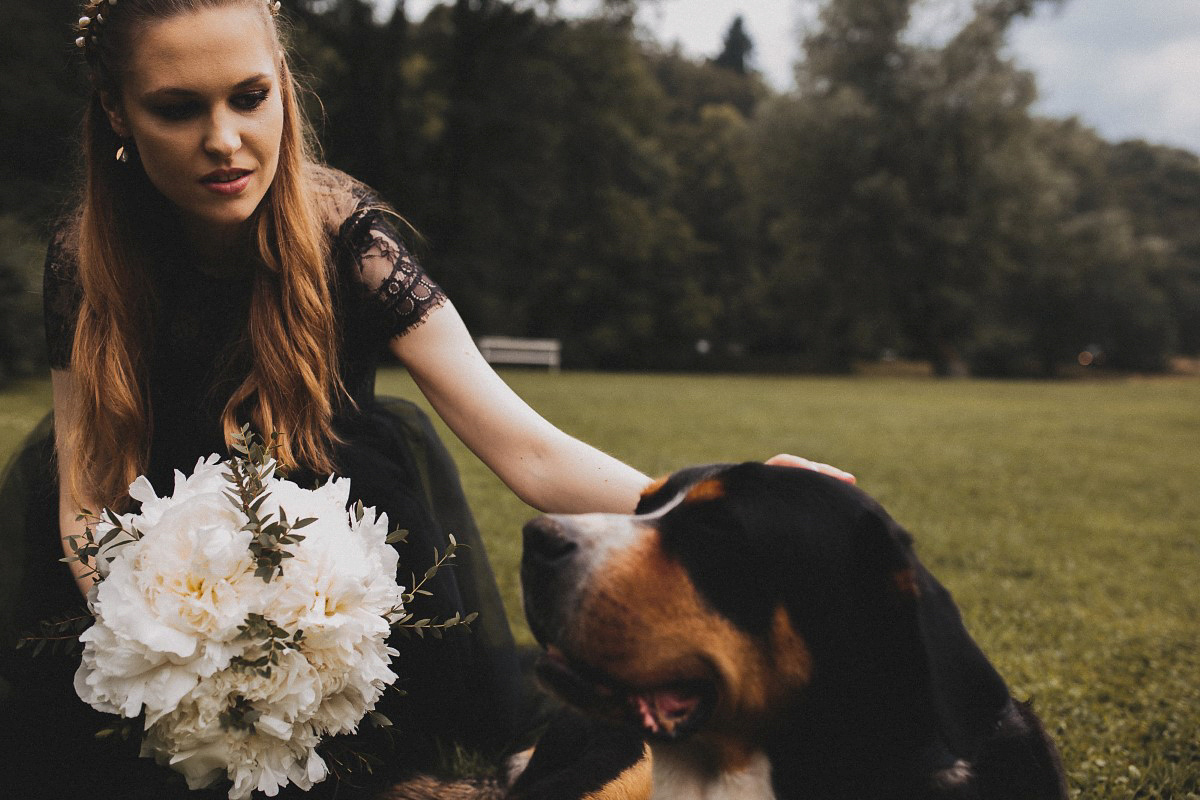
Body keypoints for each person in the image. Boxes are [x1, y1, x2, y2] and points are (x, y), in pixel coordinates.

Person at [0, 1, 852, 797]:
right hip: (143, 563)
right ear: (117, 112)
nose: (225, 140)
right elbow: (85, 489)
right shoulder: (86, 259)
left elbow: (528, 449)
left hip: (330, 551)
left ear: (283, 89)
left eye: (250, 97)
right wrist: (164, 646)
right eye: (176, 109)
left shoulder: (352, 241)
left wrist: (722, 513)